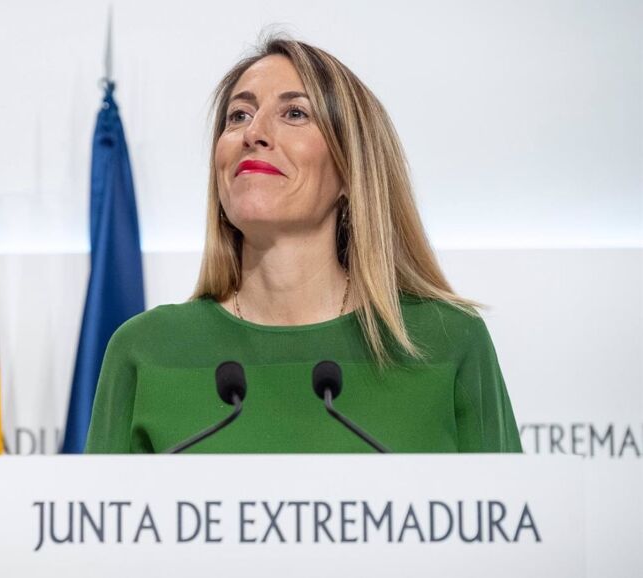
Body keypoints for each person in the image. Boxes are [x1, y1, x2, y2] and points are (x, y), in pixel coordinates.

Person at [83, 36, 521, 454]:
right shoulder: (146, 350)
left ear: (351, 170)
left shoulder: (446, 341)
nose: (254, 133)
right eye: (238, 115)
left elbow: (508, 506)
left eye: (294, 113)